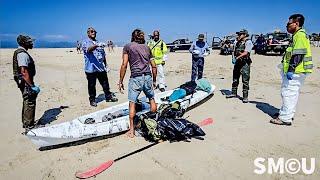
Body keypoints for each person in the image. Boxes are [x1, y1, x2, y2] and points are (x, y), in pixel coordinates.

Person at [270, 14, 313, 126]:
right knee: (291, 93)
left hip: (296, 71)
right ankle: (286, 113)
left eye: (289, 23)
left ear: (296, 23)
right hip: (296, 71)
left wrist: (291, 69)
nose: (287, 26)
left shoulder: (300, 35)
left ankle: (285, 118)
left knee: (288, 93)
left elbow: (298, 54)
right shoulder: (297, 35)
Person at [119, 29, 157, 138]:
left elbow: (124, 65)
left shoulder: (128, 47)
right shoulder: (147, 47)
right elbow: (154, 66)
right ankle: (153, 123)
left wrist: (120, 81)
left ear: (132, 36)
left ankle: (132, 131)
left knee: (132, 103)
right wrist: (154, 80)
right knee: (151, 98)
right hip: (148, 77)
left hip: (136, 78)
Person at [82, 27, 118, 107]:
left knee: (105, 83)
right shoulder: (85, 42)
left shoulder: (98, 42)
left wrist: (106, 65)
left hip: (101, 68)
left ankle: (108, 97)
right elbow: (89, 50)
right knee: (92, 85)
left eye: (95, 32)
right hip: (91, 69)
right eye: (91, 32)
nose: (93, 33)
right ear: (88, 33)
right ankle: (92, 100)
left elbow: (103, 55)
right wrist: (96, 45)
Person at [13, 35, 40, 131]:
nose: (32, 43)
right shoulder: (22, 54)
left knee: (26, 101)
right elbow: (24, 72)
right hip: (26, 82)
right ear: (24, 43)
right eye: (29, 42)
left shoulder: (20, 52)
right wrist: (32, 86)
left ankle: (26, 123)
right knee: (30, 102)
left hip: (24, 82)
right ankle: (29, 126)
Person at [226, 29, 253, 103]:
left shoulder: (248, 42)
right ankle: (234, 93)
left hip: (245, 63)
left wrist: (236, 58)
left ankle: (245, 97)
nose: (239, 35)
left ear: (245, 35)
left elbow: (246, 53)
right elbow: (233, 50)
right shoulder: (237, 42)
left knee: (245, 80)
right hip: (237, 63)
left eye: (240, 34)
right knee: (235, 78)